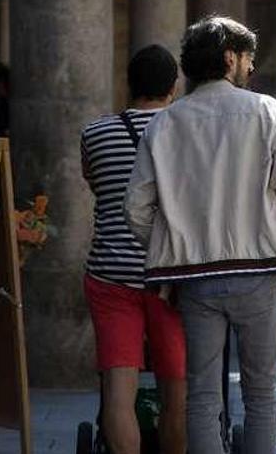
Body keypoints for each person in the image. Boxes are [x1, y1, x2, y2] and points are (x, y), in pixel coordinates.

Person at [125, 16, 276, 454]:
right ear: (230, 58)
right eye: (247, 57)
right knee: (261, 395)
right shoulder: (266, 111)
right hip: (259, 272)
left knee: (202, 395)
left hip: (195, 278)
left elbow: (135, 207)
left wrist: (175, 242)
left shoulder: (165, 123)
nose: (250, 67)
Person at [80, 45, 186, 454]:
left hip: (110, 274)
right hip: (171, 277)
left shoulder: (95, 132)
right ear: (173, 87)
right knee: (176, 393)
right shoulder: (185, 133)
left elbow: (95, 183)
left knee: (118, 391)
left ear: (129, 84)